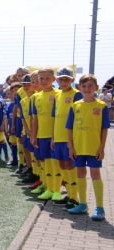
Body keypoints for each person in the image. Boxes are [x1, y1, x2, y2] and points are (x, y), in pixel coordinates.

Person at [66, 74, 110, 221]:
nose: (87, 89)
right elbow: (69, 128)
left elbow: (104, 129)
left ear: (96, 88)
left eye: (90, 86)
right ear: (79, 88)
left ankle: (100, 208)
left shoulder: (101, 106)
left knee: (95, 174)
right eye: (84, 86)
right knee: (80, 173)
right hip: (78, 148)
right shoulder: (75, 106)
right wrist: (70, 147)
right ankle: (82, 204)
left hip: (94, 148)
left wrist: (102, 148)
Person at [51, 67, 82, 210]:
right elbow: (55, 118)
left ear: (72, 80)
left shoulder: (76, 95)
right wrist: (53, 137)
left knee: (70, 166)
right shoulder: (57, 95)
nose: (63, 82)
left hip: (70, 138)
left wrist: (75, 140)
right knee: (63, 165)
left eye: (67, 79)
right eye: (61, 79)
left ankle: (74, 198)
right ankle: (69, 195)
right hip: (58, 137)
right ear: (57, 80)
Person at [31, 66, 61, 201]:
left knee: (56, 165)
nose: (44, 81)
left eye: (47, 78)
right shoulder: (35, 97)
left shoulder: (59, 94)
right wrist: (33, 135)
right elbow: (34, 118)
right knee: (45, 164)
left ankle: (57, 191)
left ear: (54, 79)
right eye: (41, 78)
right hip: (41, 136)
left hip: (56, 136)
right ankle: (49, 189)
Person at [19, 75, 38, 183]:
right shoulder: (23, 101)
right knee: (27, 150)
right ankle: (31, 169)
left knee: (35, 153)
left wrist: (33, 132)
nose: (26, 87)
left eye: (28, 84)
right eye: (24, 85)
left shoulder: (36, 97)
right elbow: (23, 118)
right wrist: (26, 130)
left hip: (35, 131)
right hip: (27, 131)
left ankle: (37, 173)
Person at [12, 66, 30, 174]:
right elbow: (17, 107)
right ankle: (21, 164)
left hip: (31, 119)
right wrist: (13, 122)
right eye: (19, 75)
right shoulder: (19, 91)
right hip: (21, 118)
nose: (20, 77)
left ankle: (31, 167)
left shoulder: (34, 88)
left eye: (23, 75)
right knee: (20, 140)